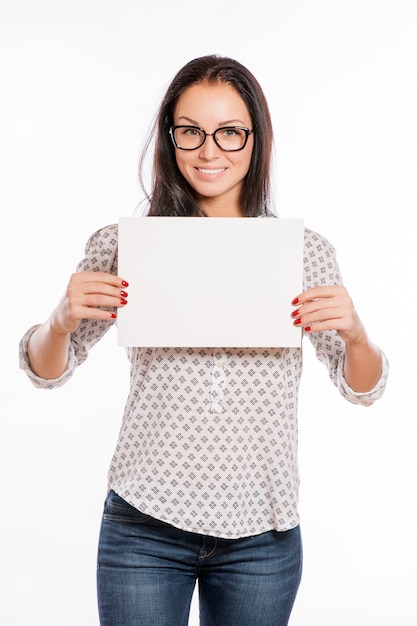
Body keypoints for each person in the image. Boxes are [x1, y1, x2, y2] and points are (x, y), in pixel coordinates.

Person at [19, 55, 389, 626]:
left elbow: (361, 388)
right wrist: (60, 319)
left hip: (262, 532)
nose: (209, 151)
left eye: (229, 132)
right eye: (190, 132)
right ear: (170, 139)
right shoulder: (127, 244)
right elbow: (47, 369)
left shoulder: (303, 253)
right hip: (145, 523)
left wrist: (357, 333)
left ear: (255, 140)